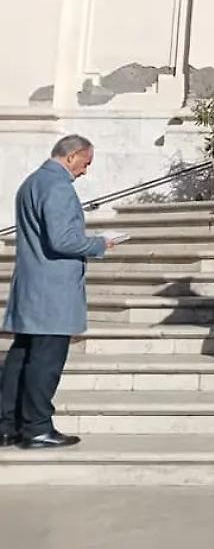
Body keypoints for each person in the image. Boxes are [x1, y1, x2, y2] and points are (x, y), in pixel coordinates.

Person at [1, 135, 115, 449]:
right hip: (52, 291)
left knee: (20, 357)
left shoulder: (31, 182)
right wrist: (101, 243)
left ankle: (7, 426)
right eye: (86, 163)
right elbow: (63, 240)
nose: (85, 171)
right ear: (72, 156)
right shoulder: (58, 187)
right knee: (45, 361)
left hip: (31, 284)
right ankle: (37, 428)